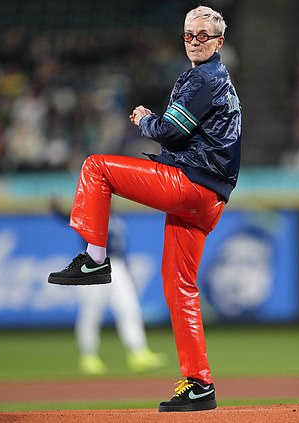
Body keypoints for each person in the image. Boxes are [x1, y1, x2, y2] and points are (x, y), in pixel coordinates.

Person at [48, 6, 241, 413]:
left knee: (96, 167)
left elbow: (171, 129)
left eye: (203, 35)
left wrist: (146, 120)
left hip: (192, 186)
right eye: (189, 34)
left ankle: (95, 260)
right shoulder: (214, 79)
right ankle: (199, 383)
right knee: (179, 285)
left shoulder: (203, 78)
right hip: (210, 198)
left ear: (219, 42)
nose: (194, 41)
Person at [50, 197, 168, 375]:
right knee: (91, 313)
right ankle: (88, 357)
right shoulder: (90, 214)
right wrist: (57, 210)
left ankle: (138, 353)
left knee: (129, 309)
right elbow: (69, 217)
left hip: (118, 267)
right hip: (93, 266)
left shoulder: (118, 219)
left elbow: (122, 248)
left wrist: (129, 272)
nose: (110, 199)